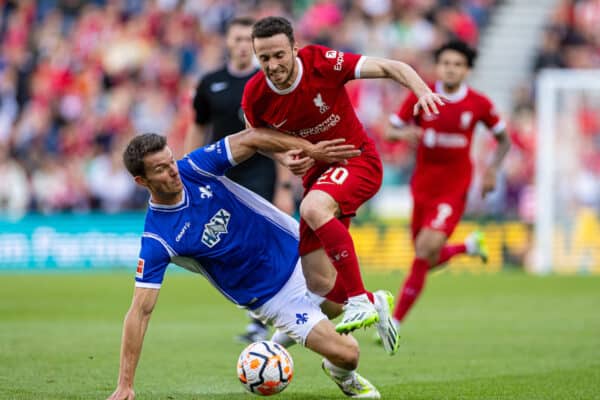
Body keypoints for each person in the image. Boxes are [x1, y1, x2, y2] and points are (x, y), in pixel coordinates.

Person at [107, 130, 385, 400]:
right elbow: (140, 312)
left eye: (171, 160)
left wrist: (301, 150)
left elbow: (250, 138)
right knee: (349, 355)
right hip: (273, 297)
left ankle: (279, 342)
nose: (173, 171)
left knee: (336, 303)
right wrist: (125, 385)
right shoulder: (159, 238)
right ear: (142, 181)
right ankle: (341, 374)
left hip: (296, 247)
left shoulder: (194, 167)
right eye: (161, 169)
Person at [242, 16, 444, 353]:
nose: (273, 65)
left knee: (312, 207)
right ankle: (371, 301)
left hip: (357, 160)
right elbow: (258, 139)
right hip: (318, 178)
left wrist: (422, 92)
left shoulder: (322, 62)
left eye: (279, 55)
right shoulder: (256, 95)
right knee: (321, 288)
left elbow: (391, 66)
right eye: (264, 58)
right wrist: (285, 158)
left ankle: (358, 301)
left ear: (294, 48)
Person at [385, 40, 511, 331]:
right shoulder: (422, 96)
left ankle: (395, 321)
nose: (451, 69)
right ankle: (468, 246)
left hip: (454, 189)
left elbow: (504, 139)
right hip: (422, 185)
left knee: (425, 249)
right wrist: (405, 134)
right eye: (446, 64)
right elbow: (390, 130)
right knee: (424, 255)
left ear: (467, 70)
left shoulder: (479, 104)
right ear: (438, 67)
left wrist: (492, 170)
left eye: (458, 65)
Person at [184, 16, 293, 344]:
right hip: (221, 176)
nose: (243, 45)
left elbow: (281, 134)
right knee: (232, 247)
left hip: (260, 169)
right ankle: (259, 313)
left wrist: (285, 186)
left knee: (259, 243)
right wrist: (187, 170)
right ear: (227, 43)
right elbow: (198, 125)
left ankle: (265, 316)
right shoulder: (210, 83)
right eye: (237, 40)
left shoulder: (266, 82)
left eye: (248, 40)